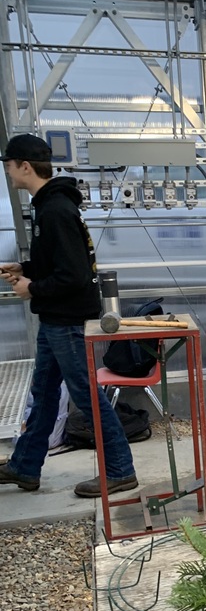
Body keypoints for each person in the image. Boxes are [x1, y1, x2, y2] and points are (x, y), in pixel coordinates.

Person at [0, 133, 138, 498]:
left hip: (66, 322)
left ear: (25, 166)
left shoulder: (55, 210)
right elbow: (61, 263)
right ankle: (24, 467)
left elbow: (75, 276)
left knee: (87, 396)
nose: (8, 172)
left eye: (9, 165)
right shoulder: (50, 206)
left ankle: (121, 470)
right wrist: (26, 267)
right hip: (55, 321)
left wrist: (32, 287)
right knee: (43, 394)